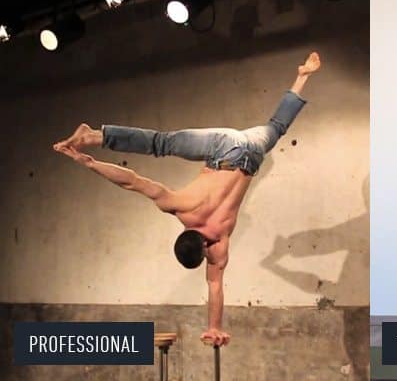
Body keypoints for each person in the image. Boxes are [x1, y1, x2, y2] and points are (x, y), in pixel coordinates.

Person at [53, 52, 321, 347]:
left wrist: (214, 328)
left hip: (251, 155)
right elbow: (133, 182)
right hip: (224, 148)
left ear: (204, 249)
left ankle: (302, 77)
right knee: (161, 143)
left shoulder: (219, 241)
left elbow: (215, 285)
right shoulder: (179, 207)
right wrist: (89, 163)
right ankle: (94, 136)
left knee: (277, 127)